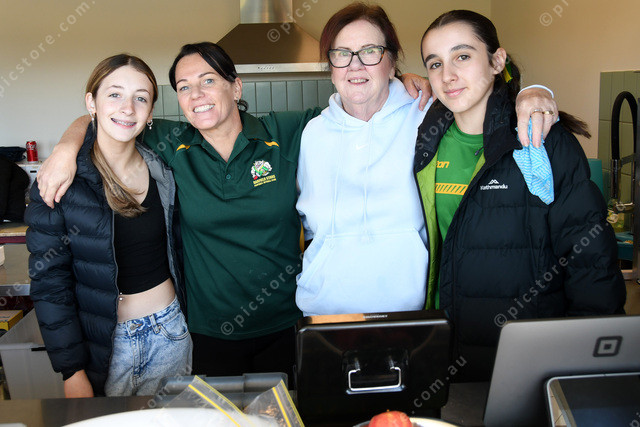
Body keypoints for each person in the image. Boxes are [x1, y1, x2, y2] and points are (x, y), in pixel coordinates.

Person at [35, 5, 555, 378]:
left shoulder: (295, 130)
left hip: (308, 323)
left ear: (236, 87)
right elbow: (113, 117)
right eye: (185, 86)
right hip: (215, 330)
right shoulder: (172, 141)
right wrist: (66, 145)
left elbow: (434, 96)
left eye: (210, 80)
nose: (197, 95)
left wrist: (524, 90)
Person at [295, 2, 558, 315]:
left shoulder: (429, 115)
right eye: (341, 54)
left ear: (391, 62)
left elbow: (484, 102)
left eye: (370, 51)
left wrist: (533, 92)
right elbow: (310, 226)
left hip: (413, 314)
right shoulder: (313, 134)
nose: (355, 65)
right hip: (324, 313)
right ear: (330, 66)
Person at [416, 10, 626, 381]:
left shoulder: (542, 140)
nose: (447, 75)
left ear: (497, 61)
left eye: (462, 56)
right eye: (435, 64)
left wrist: (592, 359)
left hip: (527, 353)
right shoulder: (423, 140)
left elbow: (590, 259)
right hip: (441, 348)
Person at [25, 54, 191, 397]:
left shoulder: (165, 168)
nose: (127, 108)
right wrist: (71, 370)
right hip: (107, 347)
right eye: (114, 94)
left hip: (171, 332)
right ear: (92, 103)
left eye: (141, 98)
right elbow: (49, 283)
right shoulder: (58, 182)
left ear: (150, 112)